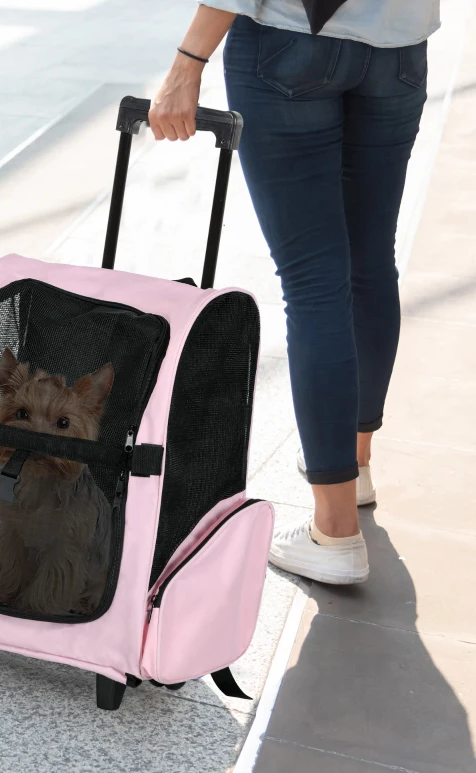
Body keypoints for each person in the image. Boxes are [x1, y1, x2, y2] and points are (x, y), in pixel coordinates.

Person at [150, 1, 439, 584]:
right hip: (400, 48)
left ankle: (334, 532)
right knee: (368, 263)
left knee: (314, 281)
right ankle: (354, 467)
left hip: (289, 43)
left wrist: (188, 61)